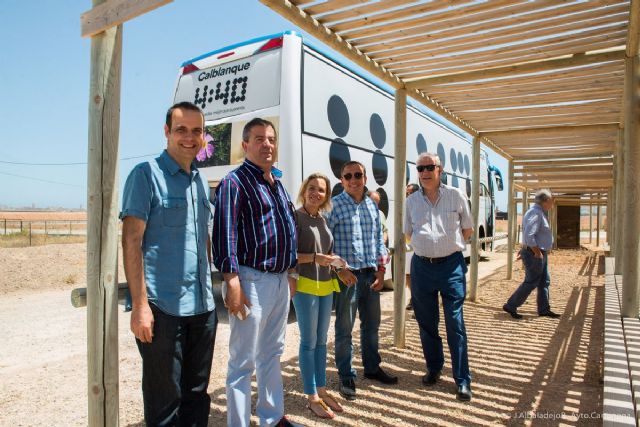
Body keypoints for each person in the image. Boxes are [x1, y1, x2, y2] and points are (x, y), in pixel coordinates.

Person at [120, 101, 218, 426]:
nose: (189, 137)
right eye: (181, 130)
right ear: (167, 132)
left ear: (203, 136)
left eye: (196, 131)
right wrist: (139, 306)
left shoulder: (201, 182)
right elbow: (131, 239)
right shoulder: (146, 175)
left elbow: (203, 237)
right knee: (164, 404)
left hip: (203, 308)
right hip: (162, 310)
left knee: (196, 397)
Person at [212, 118, 298, 427]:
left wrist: (292, 272)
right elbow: (225, 234)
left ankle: (272, 419)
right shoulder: (234, 183)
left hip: (277, 282)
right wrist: (232, 282)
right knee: (242, 361)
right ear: (245, 145)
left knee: (271, 353)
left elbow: (290, 229)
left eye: (271, 139)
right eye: (259, 139)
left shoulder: (276, 183)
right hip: (251, 280)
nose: (267, 144)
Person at [404, 152, 473, 402]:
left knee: (455, 323)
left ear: (439, 169)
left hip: (451, 267)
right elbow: (408, 234)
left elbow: (468, 229)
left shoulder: (456, 195)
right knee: (426, 323)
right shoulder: (411, 201)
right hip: (422, 267)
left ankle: (463, 379)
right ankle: (433, 368)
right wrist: (429, 248)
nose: (424, 172)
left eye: (429, 167)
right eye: (420, 167)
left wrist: (445, 248)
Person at [328, 161, 397, 402]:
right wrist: (339, 270)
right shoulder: (334, 207)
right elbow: (326, 245)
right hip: (348, 278)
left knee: (371, 326)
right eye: (348, 176)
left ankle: (372, 367)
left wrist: (381, 270)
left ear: (365, 178)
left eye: (358, 174)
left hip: (370, 275)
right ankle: (346, 375)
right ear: (342, 180)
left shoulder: (372, 207)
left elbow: (379, 239)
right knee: (344, 329)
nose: (354, 179)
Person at [292, 173, 344, 419]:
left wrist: (337, 266)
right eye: (312, 188)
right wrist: (315, 258)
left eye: (321, 190)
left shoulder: (323, 220)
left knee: (322, 341)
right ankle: (311, 395)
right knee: (308, 341)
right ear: (304, 191)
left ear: (326, 196)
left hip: (325, 284)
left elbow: (327, 253)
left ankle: (321, 389)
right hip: (305, 285)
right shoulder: (296, 217)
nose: (316, 193)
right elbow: (289, 255)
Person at [503, 189, 560, 320]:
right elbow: (529, 234)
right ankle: (511, 305)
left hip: (537, 252)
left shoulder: (538, 212)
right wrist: (536, 252)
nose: (553, 203)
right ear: (546, 201)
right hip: (535, 253)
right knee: (531, 282)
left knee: (544, 281)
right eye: (551, 200)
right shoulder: (536, 213)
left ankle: (544, 309)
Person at [404, 183, 420, 310]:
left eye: (409, 193)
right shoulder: (404, 205)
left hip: (418, 247)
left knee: (418, 275)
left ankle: (419, 301)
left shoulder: (421, 206)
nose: (407, 195)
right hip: (407, 246)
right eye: (406, 193)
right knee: (408, 275)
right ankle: (413, 298)